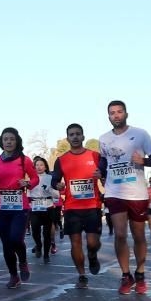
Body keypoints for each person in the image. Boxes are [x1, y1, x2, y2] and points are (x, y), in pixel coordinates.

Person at [98, 100, 151, 295]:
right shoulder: (104, 138)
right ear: (108, 116)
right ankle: (126, 276)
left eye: (119, 112)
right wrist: (99, 172)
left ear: (126, 114)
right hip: (114, 192)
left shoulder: (141, 134)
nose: (116, 115)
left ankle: (140, 273)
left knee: (139, 235)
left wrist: (144, 161)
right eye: (112, 113)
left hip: (137, 193)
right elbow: (103, 162)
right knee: (120, 235)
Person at [50, 123, 103, 289]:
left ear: (83, 137)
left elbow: (106, 176)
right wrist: (57, 185)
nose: (75, 137)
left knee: (93, 243)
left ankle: (93, 255)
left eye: (78, 134)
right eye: (71, 134)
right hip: (72, 208)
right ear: (67, 138)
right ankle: (81, 274)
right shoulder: (61, 160)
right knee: (76, 243)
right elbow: (54, 179)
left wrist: (102, 175)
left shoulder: (95, 156)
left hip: (92, 206)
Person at [0, 128, 39, 289]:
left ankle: (22, 261)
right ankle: (13, 276)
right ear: (1, 141)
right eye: (5, 139)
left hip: (19, 206)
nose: (8, 142)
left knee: (16, 238)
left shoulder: (24, 160)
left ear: (17, 141)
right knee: (7, 243)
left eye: (12, 139)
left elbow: (35, 177)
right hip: (1, 207)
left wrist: (28, 183)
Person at [27, 157, 59, 264]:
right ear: (34, 167)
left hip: (48, 207)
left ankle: (46, 255)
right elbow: (27, 193)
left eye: (41, 165)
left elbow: (57, 195)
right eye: (36, 165)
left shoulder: (50, 177)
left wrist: (49, 189)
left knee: (47, 233)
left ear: (45, 166)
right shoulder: (31, 178)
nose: (39, 167)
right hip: (35, 207)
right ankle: (38, 245)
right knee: (35, 230)